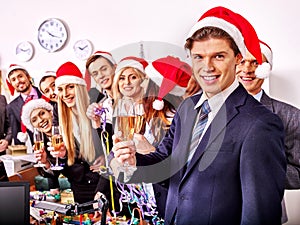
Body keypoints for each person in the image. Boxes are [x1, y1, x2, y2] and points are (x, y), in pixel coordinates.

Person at [111, 6, 286, 225]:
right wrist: (133, 160)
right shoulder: (187, 108)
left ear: (237, 59)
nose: (207, 67)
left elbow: (260, 215)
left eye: (218, 56)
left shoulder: (260, 124)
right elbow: (165, 163)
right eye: (199, 57)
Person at [236, 40, 300, 223]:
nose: (247, 69)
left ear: (266, 68)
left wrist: (259, 171)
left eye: (255, 62)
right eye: (241, 61)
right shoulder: (212, 112)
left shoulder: (290, 115)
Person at [53, 61, 108, 205]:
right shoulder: (58, 113)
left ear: (80, 87)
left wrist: (106, 157)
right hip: (78, 186)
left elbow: (110, 144)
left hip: (103, 182)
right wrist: (62, 155)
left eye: (70, 87)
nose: (65, 94)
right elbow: (63, 162)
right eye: (60, 89)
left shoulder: (97, 102)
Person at [21, 98, 60, 189]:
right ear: (33, 126)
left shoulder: (66, 131)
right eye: (34, 120)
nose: (40, 120)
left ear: (50, 113)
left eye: (42, 113)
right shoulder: (42, 144)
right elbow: (52, 175)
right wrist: (45, 162)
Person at [6, 64, 44, 146]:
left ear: (28, 76)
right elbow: (17, 136)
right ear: (12, 84)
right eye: (13, 80)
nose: (18, 81)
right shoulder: (12, 107)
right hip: (37, 150)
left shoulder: (45, 93)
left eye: (20, 76)